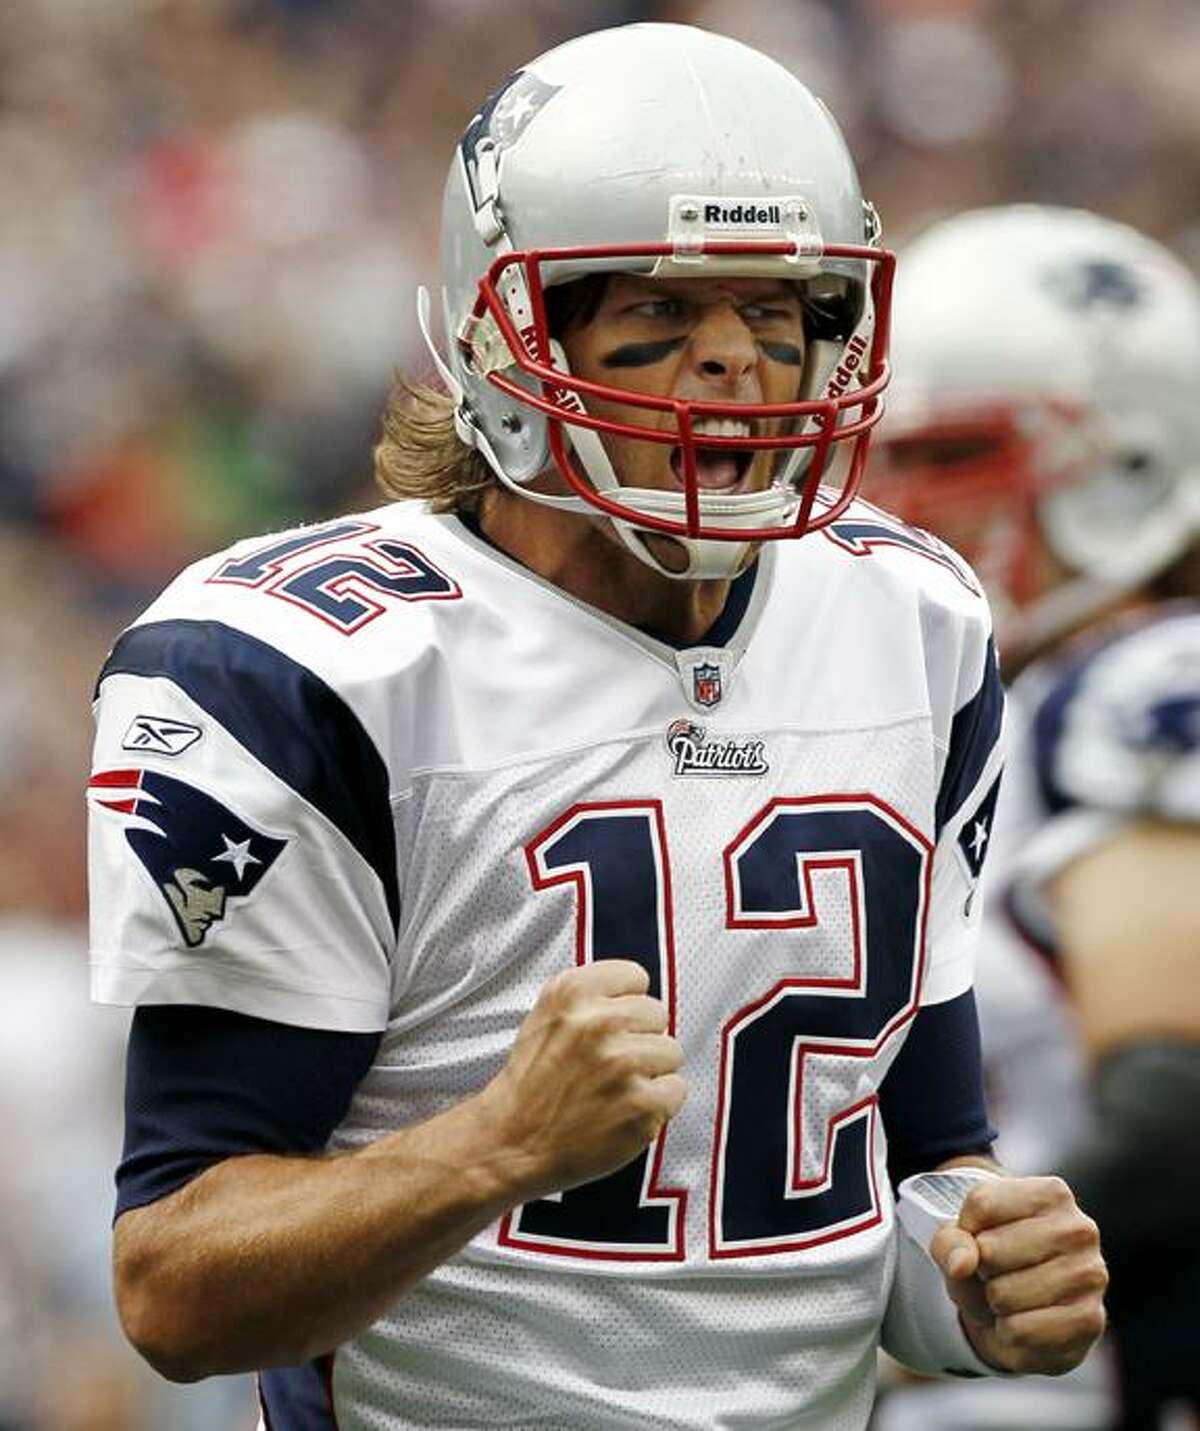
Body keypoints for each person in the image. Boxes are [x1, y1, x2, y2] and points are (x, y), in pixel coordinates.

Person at [86, 28, 1106, 1431]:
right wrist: (491, 1145)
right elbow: (178, 1287)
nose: (735, 362)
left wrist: (973, 1277)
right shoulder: (308, 666)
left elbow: (913, 1160)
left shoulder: (915, 621)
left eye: (778, 308)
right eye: (661, 309)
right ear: (512, 333)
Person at [866, 203, 1200, 1430]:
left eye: (950, 455)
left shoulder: (1147, 684)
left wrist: (908, 1304)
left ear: (1126, 462)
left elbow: (1177, 1117)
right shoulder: (1007, 709)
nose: (901, 500)